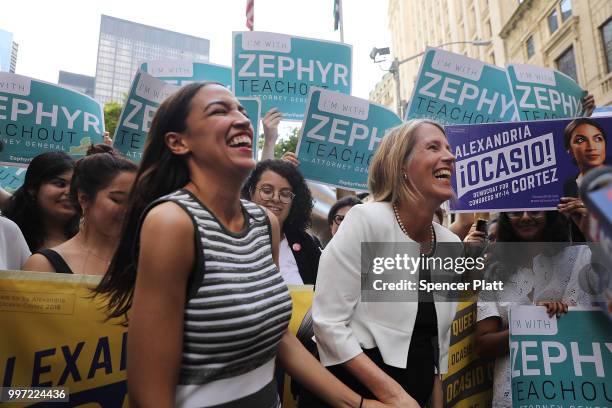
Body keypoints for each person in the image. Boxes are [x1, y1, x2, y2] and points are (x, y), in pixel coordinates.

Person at [94, 82, 389, 408]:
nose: (242, 120)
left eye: (242, 111)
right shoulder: (172, 223)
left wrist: (357, 404)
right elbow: (148, 395)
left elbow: (278, 337)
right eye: (220, 111)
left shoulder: (266, 224)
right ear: (178, 142)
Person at [313, 119, 462, 408]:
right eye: (433, 147)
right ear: (401, 167)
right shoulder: (366, 220)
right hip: (357, 395)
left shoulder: (450, 246)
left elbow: (434, 346)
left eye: (448, 148)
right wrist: (394, 397)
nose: (450, 156)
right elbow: (328, 324)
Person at [474, 211, 593, 408]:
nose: (526, 217)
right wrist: (532, 324)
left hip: (575, 394)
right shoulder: (494, 273)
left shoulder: (581, 259)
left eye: (535, 210)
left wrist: (588, 226)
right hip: (514, 397)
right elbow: (482, 345)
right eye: (516, 211)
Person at [23, 151, 136, 275]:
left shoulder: (143, 259)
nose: (127, 209)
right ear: (84, 198)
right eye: (117, 200)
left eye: (135, 201)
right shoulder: (43, 264)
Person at [242, 159, 322, 285]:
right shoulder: (228, 238)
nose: (275, 198)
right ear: (251, 192)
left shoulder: (307, 244)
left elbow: (323, 295)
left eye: (285, 194)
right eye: (267, 191)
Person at [3, 151, 78, 252]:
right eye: (60, 184)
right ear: (32, 188)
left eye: (75, 186)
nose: (70, 192)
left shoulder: (93, 237)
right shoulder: (6, 234)